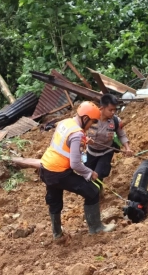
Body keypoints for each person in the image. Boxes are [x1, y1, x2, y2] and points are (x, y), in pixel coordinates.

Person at [39, 101, 116, 239]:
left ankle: (57, 233)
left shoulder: (65, 122)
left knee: (54, 199)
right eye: (92, 122)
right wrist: (89, 173)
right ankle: (96, 228)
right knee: (92, 191)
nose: (92, 125)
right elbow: (75, 164)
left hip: (46, 168)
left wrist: (84, 140)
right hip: (59, 172)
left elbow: (64, 142)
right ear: (85, 118)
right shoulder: (77, 135)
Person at [85, 94, 133, 185]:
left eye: (114, 110)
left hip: (106, 152)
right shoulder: (91, 118)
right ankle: (98, 191)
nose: (113, 112)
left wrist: (127, 148)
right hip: (91, 152)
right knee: (90, 176)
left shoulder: (116, 121)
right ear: (102, 108)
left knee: (98, 175)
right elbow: (80, 130)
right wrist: (85, 138)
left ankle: (97, 195)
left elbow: (122, 135)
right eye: (110, 110)